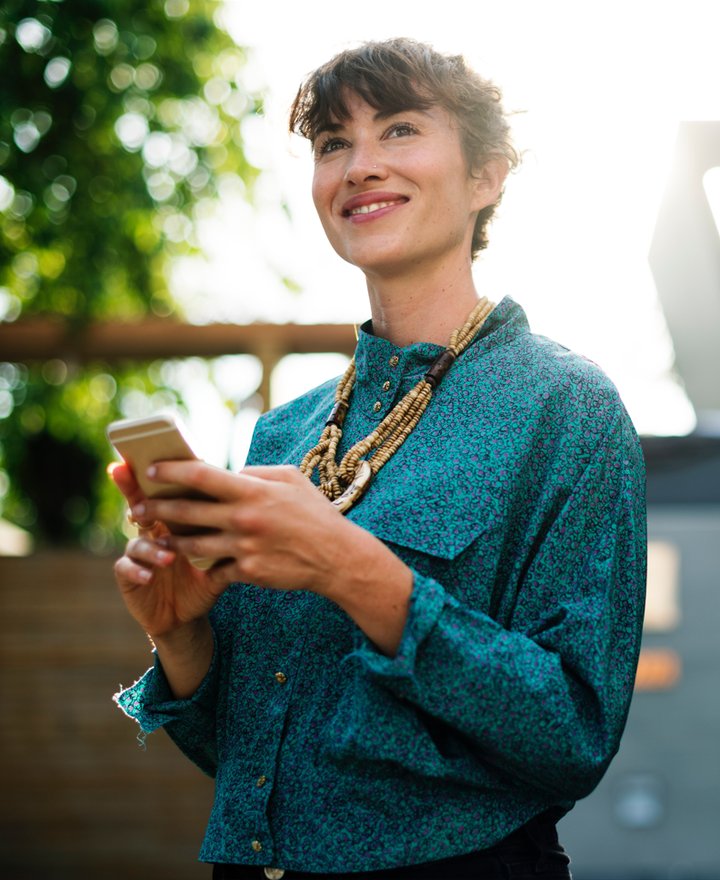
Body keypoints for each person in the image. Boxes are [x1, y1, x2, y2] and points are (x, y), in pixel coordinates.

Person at [112, 38, 646, 880]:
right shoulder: (282, 435)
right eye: (333, 142)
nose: (359, 165)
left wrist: (350, 569)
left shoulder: (568, 409)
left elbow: (574, 735)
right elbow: (246, 761)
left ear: (486, 176)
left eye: (399, 129)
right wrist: (178, 634)